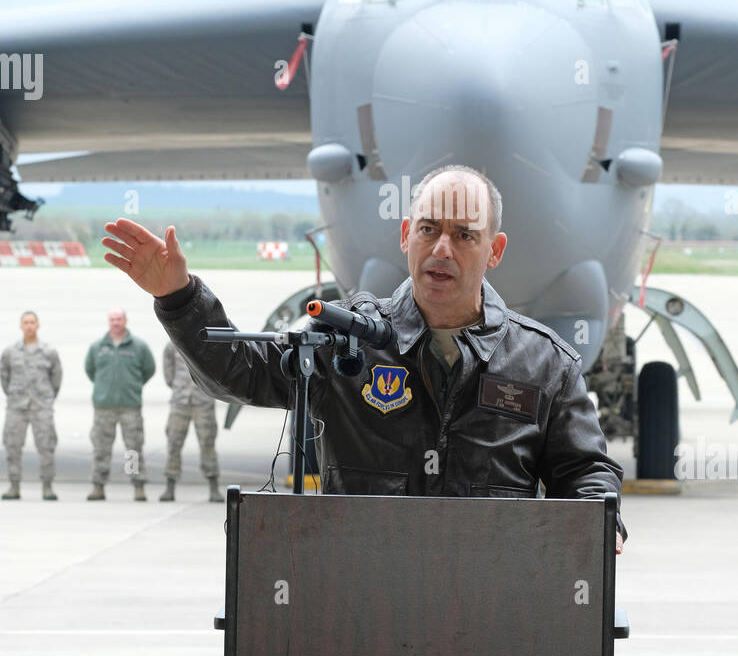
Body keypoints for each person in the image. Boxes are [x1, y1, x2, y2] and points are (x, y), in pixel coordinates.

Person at [101, 166, 625, 546]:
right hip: (359, 602)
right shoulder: (343, 338)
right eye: (429, 228)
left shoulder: (544, 364)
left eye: (465, 235)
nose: (443, 248)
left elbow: (584, 473)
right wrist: (179, 298)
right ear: (406, 235)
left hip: (487, 608)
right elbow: (240, 372)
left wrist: (600, 527)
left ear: (495, 250)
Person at [84, 309, 156, 500]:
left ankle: (137, 486)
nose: (116, 322)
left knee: (132, 449)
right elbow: (90, 370)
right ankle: (98, 486)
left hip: (130, 407)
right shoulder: (97, 347)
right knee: (101, 448)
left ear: (125, 320)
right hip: (104, 407)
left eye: (119, 319)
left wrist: (132, 386)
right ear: (109, 322)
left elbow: (149, 369)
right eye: (112, 319)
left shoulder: (138, 346)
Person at [1, 311, 62, 500]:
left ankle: (47, 486)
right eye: (25, 322)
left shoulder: (48, 351)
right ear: (21, 326)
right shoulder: (10, 352)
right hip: (17, 407)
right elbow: (4, 377)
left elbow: (56, 377)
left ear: (37, 325)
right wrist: (13, 395)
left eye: (32, 322)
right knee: (12, 446)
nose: (29, 325)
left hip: (41, 407)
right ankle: (14, 486)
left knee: (46, 447)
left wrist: (47, 398)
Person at [162, 341, 223, 502]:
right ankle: (170, 486)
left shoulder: (209, 343)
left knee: (207, 443)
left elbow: (217, 371)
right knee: (174, 443)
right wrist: (177, 387)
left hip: (203, 401)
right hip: (180, 401)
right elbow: (168, 371)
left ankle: (213, 486)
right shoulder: (173, 344)